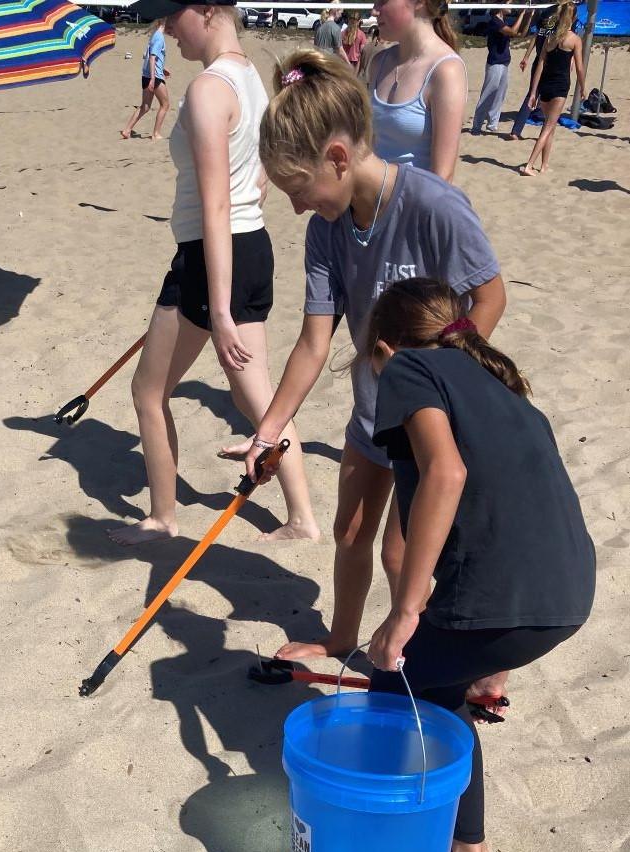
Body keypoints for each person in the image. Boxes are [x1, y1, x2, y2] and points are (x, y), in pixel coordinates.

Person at [247, 49, 507, 718]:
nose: (299, 203)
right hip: (371, 412)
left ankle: (458, 665)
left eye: (299, 187)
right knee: (350, 530)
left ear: (337, 157)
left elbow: (490, 296)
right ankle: (341, 637)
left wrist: (445, 374)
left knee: (405, 554)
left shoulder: (430, 203)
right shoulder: (326, 231)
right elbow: (314, 341)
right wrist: (270, 427)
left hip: (428, 416)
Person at [364, 276, 595, 852]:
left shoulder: (410, 370)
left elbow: (445, 475)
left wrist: (406, 611)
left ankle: (397, 831)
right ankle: (470, 846)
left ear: (385, 347)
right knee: (438, 685)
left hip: (507, 597)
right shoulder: (500, 384)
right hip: (568, 591)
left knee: (394, 684)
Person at [110, 0, 319, 546]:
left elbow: (216, 206)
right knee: (259, 396)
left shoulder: (209, 88)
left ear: (203, 11)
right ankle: (302, 517)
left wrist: (219, 310)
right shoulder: (254, 77)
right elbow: (261, 178)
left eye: (170, 17)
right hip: (251, 248)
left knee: (148, 392)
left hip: (212, 256)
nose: (165, 30)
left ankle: (162, 517)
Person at [368, 0, 467, 182]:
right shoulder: (378, 62)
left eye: (383, 1)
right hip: (371, 202)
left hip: (412, 205)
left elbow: (442, 178)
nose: (374, 11)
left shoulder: (445, 70)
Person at [521, 0, 585, 175]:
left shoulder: (550, 37)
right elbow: (579, 67)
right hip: (560, 87)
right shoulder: (574, 40)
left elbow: (540, 64)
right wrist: (583, 88)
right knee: (548, 127)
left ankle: (544, 165)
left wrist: (534, 91)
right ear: (573, 18)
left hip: (545, 85)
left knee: (551, 126)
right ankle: (529, 164)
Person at [470, 5, 534, 135]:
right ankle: (476, 126)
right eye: (509, 3)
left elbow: (521, 34)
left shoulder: (503, 21)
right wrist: (521, 14)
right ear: (501, 5)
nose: (511, 6)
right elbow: (511, 32)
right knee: (488, 95)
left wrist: (529, 17)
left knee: (500, 95)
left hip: (504, 63)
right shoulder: (495, 21)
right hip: (495, 64)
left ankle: (492, 123)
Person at [506, 1, 561, 140]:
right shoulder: (559, 13)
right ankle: (543, 133)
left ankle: (516, 131)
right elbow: (538, 36)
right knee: (546, 96)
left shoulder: (548, 12)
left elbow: (537, 36)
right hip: (551, 60)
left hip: (542, 59)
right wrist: (526, 56)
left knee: (534, 93)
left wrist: (526, 56)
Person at [121, 20, 171, 141]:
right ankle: (156, 134)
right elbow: (152, 57)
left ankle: (127, 130)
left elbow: (150, 56)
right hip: (154, 77)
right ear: (164, 22)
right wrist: (153, 78)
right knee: (165, 105)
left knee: (145, 106)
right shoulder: (159, 37)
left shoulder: (154, 35)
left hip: (146, 75)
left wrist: (163, 68)